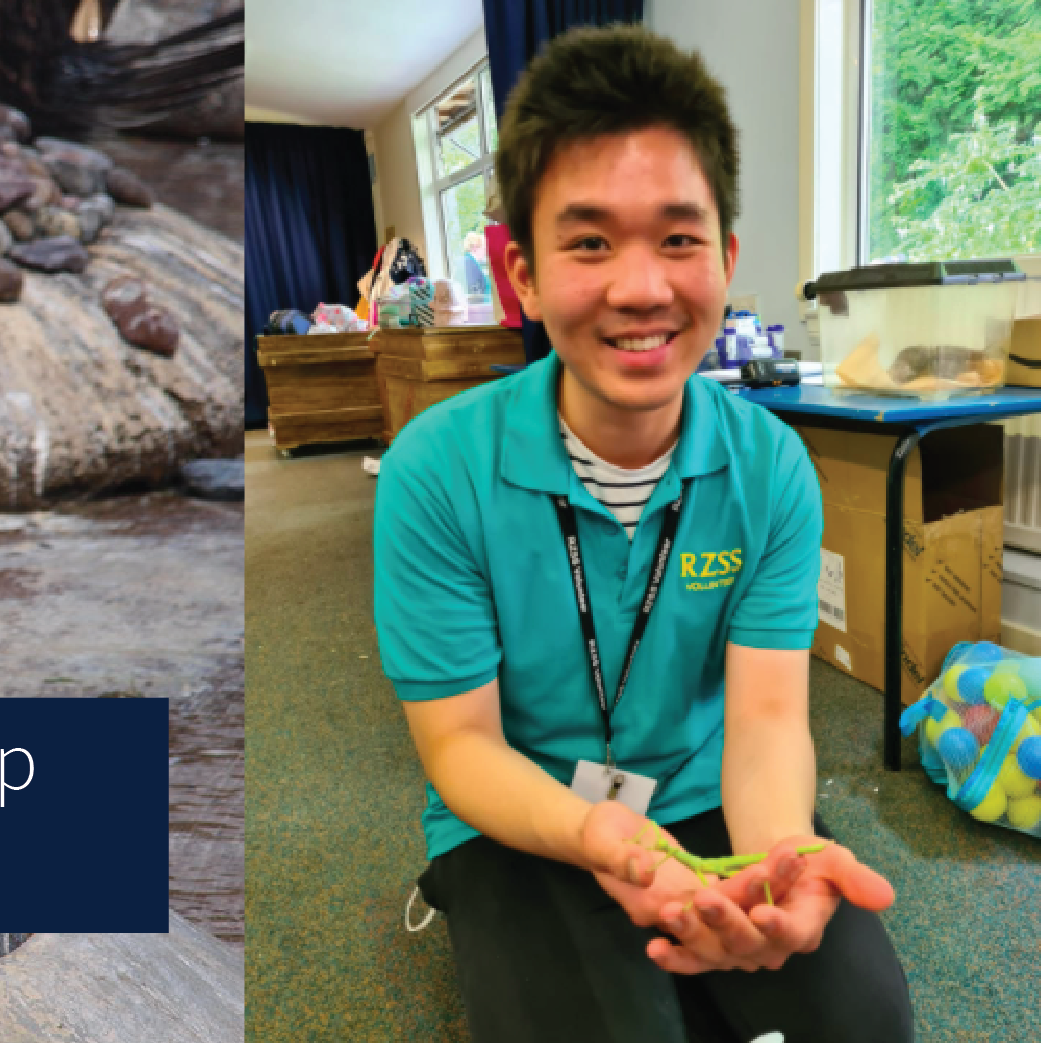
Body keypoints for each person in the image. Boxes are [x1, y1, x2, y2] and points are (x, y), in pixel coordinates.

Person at [372, 25, 913, 1043]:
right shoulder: (434, 471)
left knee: (860, 1028)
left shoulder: (770, 468)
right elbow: (460, 743)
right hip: (523, 810)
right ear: (522, 275)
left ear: (725, 258)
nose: (640, 288)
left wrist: (778, 853)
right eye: (588, 241)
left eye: (676, 237)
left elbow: (761, 719)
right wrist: (596, 835)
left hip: (713, 793)